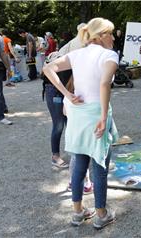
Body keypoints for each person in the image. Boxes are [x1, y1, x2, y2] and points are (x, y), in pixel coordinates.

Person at [43, 17, 119, 229]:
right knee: (100, 166)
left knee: (79, 163)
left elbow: (48, 68)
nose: (113, 37)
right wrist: (104, 117)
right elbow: (104, 83)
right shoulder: (109, 55)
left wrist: (68, 94)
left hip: (77, 114)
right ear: (101, 35)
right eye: (110, 33)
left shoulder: (76, 53)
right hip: (96, 113)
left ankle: (78, 212)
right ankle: (101, 214)